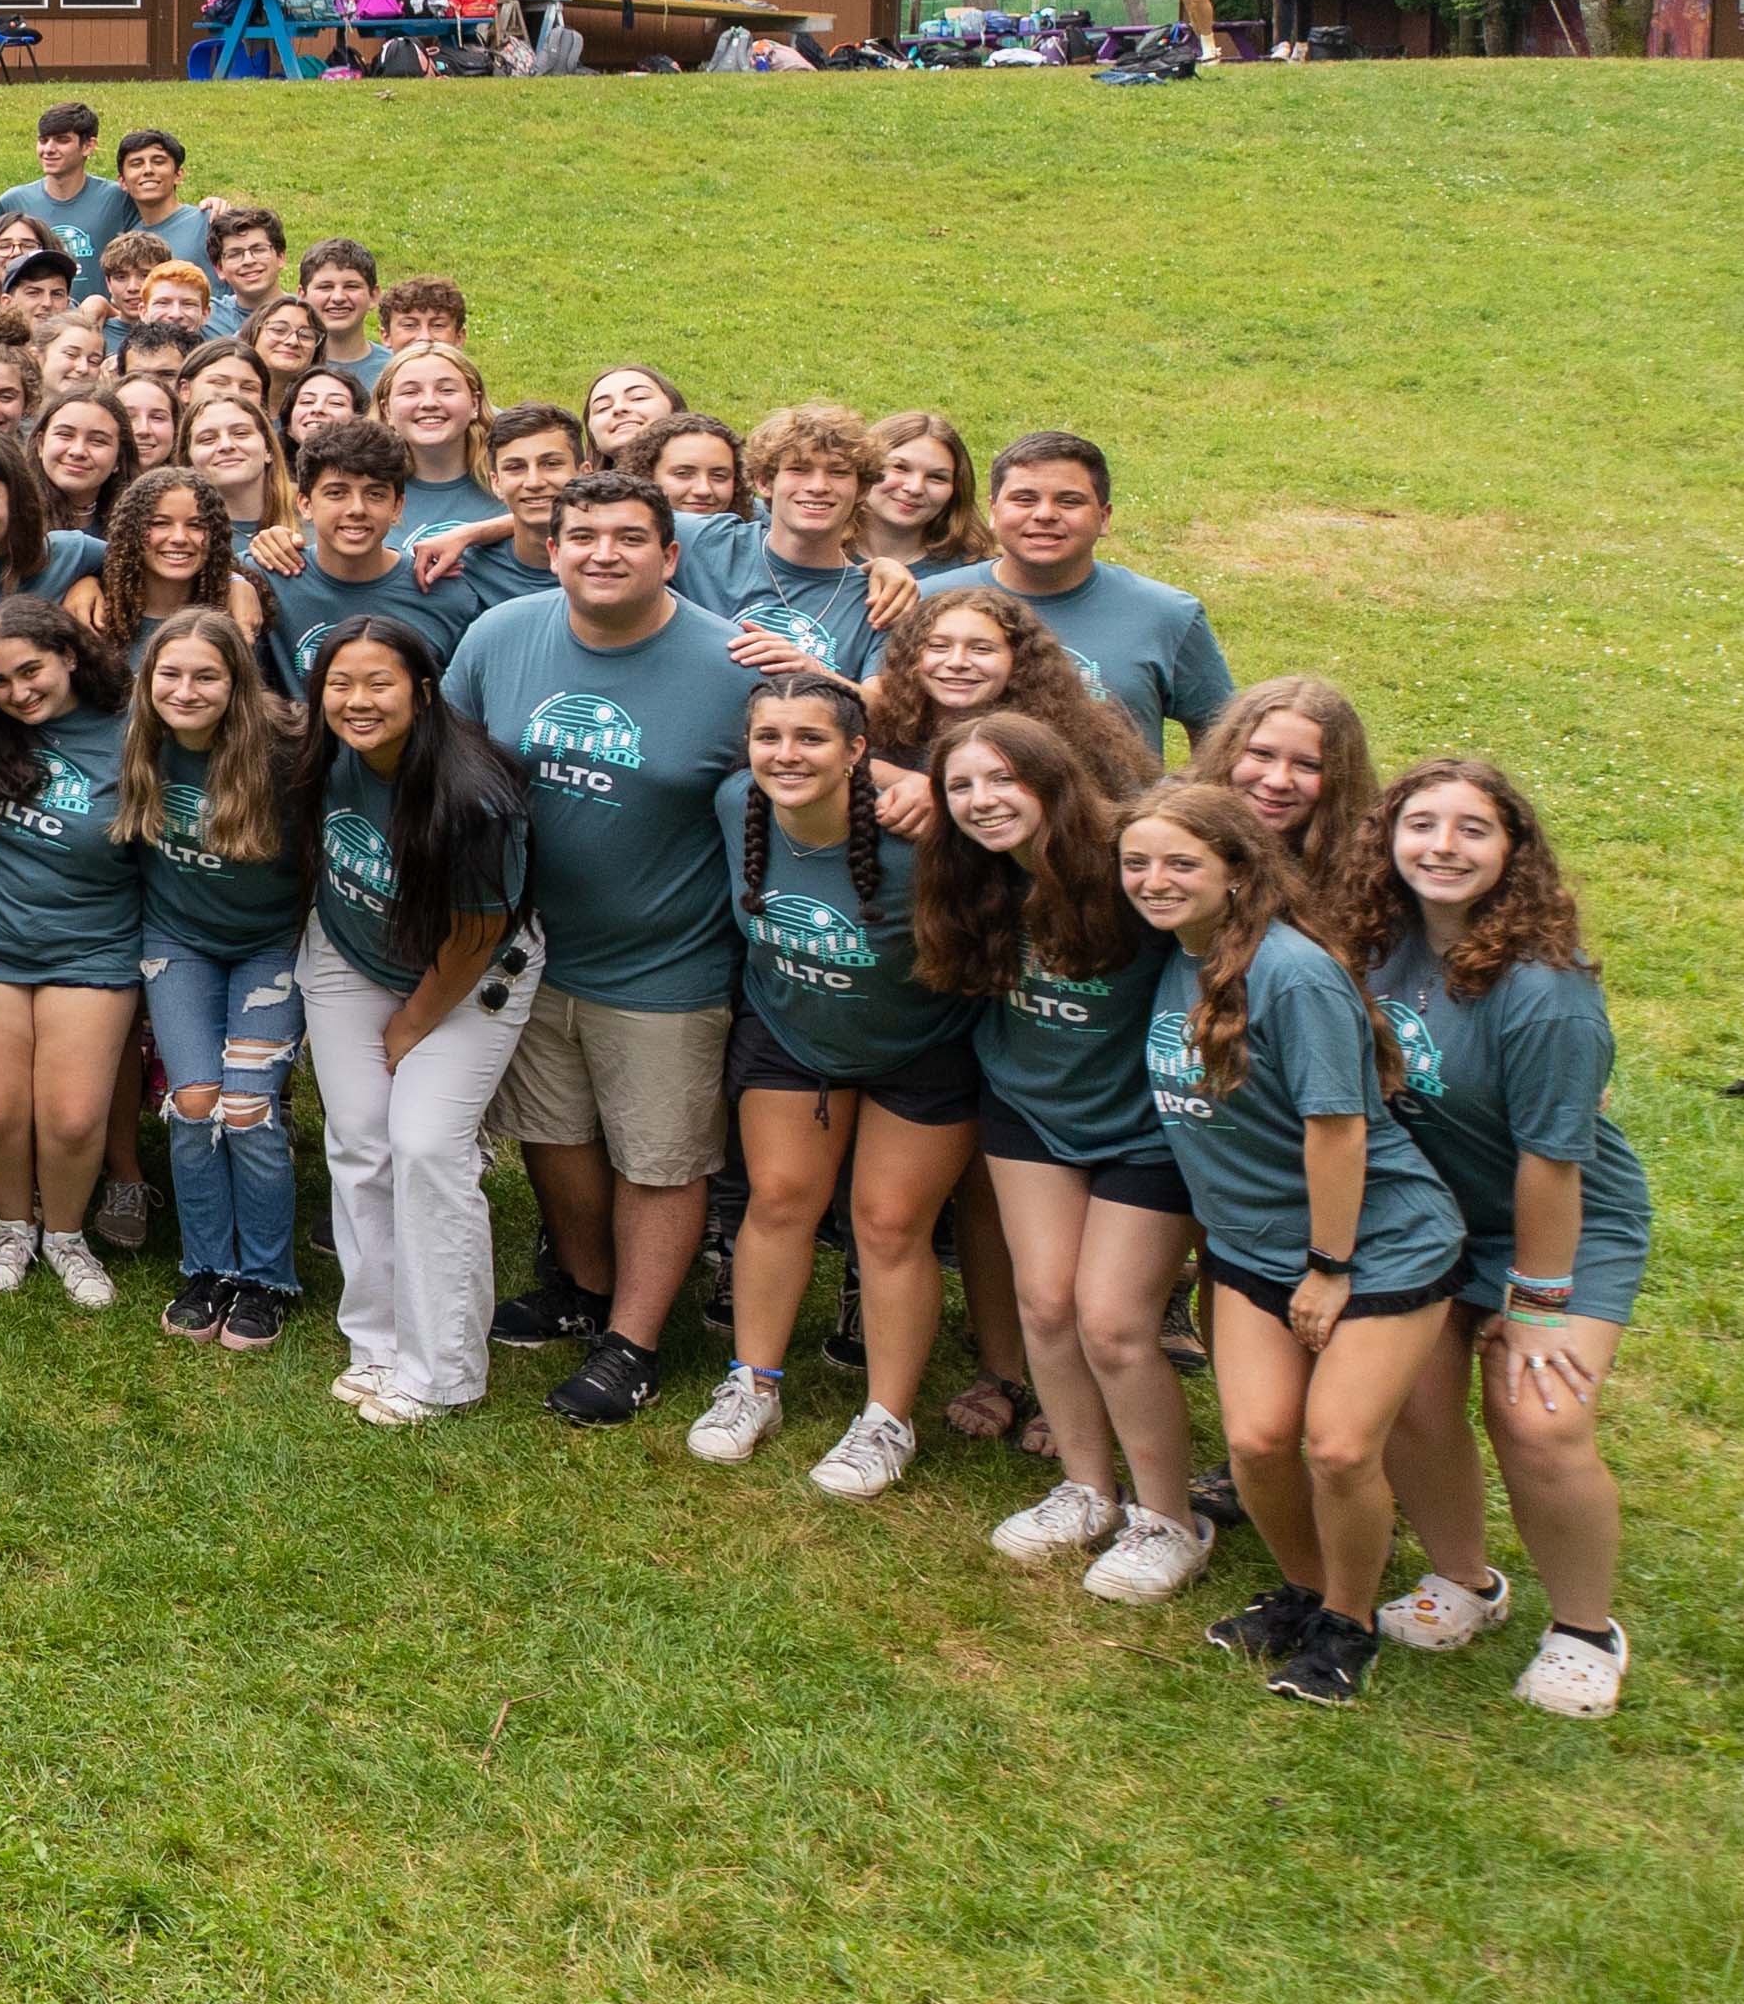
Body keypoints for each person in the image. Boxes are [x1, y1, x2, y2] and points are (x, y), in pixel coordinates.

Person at [445, 472, 762, 1425]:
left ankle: (635, 1342)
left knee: (659, 1159)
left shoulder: (731, 665)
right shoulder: (500, 638)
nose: (603, 553)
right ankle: (584, 1286)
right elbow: (447, 767)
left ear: (670, 558)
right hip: (528, 951)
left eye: (631, 537)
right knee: (555, 1135)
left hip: (667, 962)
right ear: (550, 548)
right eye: (581, 535)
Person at [1124, 784, 1440, 1708]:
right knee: (1259, 1444)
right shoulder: (1175, 961)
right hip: (1248, 1245)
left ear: (1237, 873)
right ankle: (1305, 1591)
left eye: (1182, 863)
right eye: (1137, 863)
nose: (1154, 880)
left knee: (1338, 1449)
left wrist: (1330, 1268)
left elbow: (1337, 1130)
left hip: (1373, 1242)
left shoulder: (1293, 972)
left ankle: (1349, 1622)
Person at [1368, 757, 1648, 1716]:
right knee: (1408, 1397)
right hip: (1428, 1219)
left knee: (1539, 1420)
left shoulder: (1547, 992)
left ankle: (1584, 1630)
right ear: (1390, 837)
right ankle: (1464, 1581)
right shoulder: (1372, 942)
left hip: (1560, 1224)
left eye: (1473, 829)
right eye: (1422, 824)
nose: (1442, 846)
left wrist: (1535, 1304)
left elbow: (1553, 1166)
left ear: (1513, 852)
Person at [925, 715, 1212, 1601]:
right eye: (962, 787)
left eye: (1003, 779)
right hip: (1028, 1110)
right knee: (1045, 1304)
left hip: (1144, 1126)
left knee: (1116, 1325)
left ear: (1053, 779)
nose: (982, 801)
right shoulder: (969, 878)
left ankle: (1169, 1519)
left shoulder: (1130, 869)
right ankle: (1086, 1489)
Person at [702, 674, 979, 1490]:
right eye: (769, 738)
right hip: (793, 1033)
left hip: (920, 1043)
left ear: (859, 752)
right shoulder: (733, 805)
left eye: (812, 738)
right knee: (780, 1199)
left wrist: (920, 784)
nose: (787, 755)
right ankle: (753, 1384)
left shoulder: (922, 835)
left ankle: (886, 1420)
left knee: (890, 1225)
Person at [291, 612, 534, 1424]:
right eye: (340, 683)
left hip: (468, 971)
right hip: (350, 952)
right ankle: (378, 1341)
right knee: (359, 1138)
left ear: (424, 692)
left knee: (426, 1146)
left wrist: (410, 1025)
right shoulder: (322, 752)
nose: (358, 701)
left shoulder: (473, 795)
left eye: (380, 683)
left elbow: (478, 931)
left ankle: (443, 1369)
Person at [0, 594, 140, 1307]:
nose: (18, 693)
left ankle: (67, 1235)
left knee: (75, 1116)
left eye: (31, 671)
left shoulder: (133, 730)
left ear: (70, 656)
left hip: (92, 939)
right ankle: (15, 1224)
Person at [120, 608, 309, 1354]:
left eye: (208, 676)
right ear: (148, 679)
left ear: (238, 682)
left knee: (247, 1109)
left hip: (272, 947)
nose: (187, 690)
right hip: (177, 945)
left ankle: (265, 1279)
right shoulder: (138, 741)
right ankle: (206, 1269)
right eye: (171, 673)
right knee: (194, 1103)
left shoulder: (290, 751)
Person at [920, 434, 1232, 763]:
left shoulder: (1168, 614)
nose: (1045, 514)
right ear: (994, 512)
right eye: (1024, 499)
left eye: (1069, 501)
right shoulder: (929, 601)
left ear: (1105, 517)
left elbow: (1222, 740)